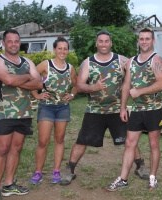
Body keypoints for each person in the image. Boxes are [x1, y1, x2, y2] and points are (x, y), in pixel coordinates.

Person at [59, 30, 149, 186]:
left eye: (106, 41)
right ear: (96, 43)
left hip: (117, 109)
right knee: (82, 140)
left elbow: (135, 74)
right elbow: (79, 85)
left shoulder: (122, 60)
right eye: (100, 41)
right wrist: (94, 87)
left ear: (111, 43)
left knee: (129, 140)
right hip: (95, 110)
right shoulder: (88, 62)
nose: (103, 44)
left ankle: (140, 166)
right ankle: (70, 170)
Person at [107, 27, 162, 191]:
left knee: (153, 144)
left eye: (147, 38)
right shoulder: (131, 62)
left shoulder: (157, 60)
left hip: (154, 109)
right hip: (138, 109)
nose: (144, 41)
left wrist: (140, 91)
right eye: (141, 39)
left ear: (153, 41)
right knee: (129, 143)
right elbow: (126, 85)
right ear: (138, 41)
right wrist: (123, 107)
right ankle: (123, 179)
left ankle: (153, 178)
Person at [0, 29, 42, 200]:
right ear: (4, 43)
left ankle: (9, 184)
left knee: (16, 148)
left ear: (20, 42)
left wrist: (20, 80)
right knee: (3, 149)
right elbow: (8, 80)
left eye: (16, 41)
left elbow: (39, 83)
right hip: (3, 112)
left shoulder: (27, 61)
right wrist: (27, 77)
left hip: (24, 112)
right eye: (9, 41)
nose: (13, 44)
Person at [29, 37, 78, 185]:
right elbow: (30, 78)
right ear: (54, 49)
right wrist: (36, 95)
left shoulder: (70, 68)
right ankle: (38, 172)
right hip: (47, 107)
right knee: (43, 141)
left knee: (60, 140)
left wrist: (72, 94)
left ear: (67, 50)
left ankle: (56, 171)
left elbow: (76, 85)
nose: (62, 51)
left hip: (63, 108)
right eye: (60, 48)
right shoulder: (46, 65)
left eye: (65, 48)